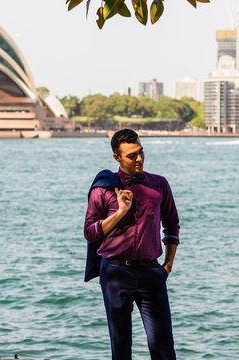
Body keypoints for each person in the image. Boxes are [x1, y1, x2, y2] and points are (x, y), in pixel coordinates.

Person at [84, 129, 180, 360]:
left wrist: (167, 266)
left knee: (163, 349)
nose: (139, 159)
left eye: (140, 152)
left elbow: (172, 226)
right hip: (116, 273)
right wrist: (120, 212)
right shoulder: (103, 189)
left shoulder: (159, 184)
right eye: (131, 156)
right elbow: (89, 232)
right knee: (121, 347)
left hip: (151, 273)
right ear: (117, 157)